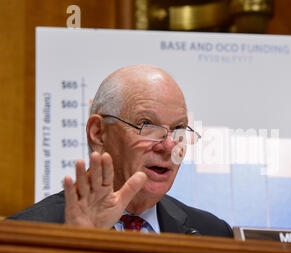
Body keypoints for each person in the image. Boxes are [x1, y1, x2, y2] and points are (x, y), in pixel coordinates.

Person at [7, 64, 233, 238]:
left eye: (178, 129)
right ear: (98, 133)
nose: (168, 146)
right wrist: (78, 247)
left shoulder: (212, 232)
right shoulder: (24, 233)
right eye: (147, 125)